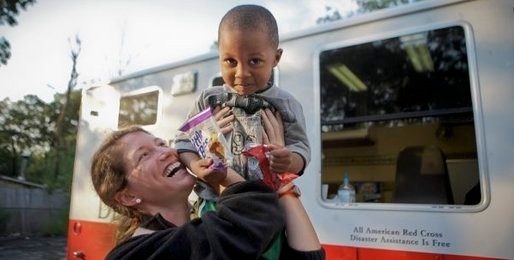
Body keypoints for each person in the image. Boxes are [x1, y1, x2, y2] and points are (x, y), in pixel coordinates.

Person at [90, 120, 324, 259]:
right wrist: (220, 164)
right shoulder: (135, 254)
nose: (166, 152)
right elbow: (253, 216)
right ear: (128, 196)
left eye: (161, 143)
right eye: (144, 155)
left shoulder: (203, 222)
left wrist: (281, 182)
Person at [175, 3, 309, 219]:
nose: (241, 73)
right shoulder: (209, 100)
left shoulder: (286, 104)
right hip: (214, 202)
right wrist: (195, 166)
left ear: (276, 58)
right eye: (230, 61)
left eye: (255, 61)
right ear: (219, 56)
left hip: (266, 204)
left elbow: (301, 148)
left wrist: (289, 160)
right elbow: (183, 141)